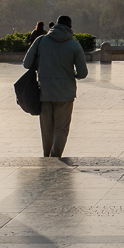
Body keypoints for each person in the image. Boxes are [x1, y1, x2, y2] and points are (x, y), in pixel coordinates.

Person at [24, 14, 89, 158]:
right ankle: (56, 156)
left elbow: (26, 63)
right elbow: (83, 73)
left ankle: (47, 157)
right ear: (70, 27)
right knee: (61, 129)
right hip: (66, 94)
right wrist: (73, 74)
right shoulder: (74, 45)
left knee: (47, 130)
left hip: (45, 92)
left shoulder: (41, 41)